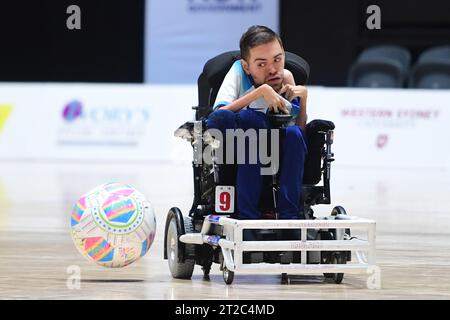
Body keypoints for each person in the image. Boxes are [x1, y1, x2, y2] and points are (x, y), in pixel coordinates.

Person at [207, 25, 308, 223]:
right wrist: (260, 92)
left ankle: (290, 219)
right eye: (261, 64)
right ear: (247, 66)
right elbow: (217, 117)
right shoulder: (237, 72)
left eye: (277, 60)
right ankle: (248, 219)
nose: (272, 69)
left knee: (295, 135)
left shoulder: (287, 77)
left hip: (278, 144)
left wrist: (304, 100)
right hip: (243, 145)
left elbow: (299, 128)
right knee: (251, 122)